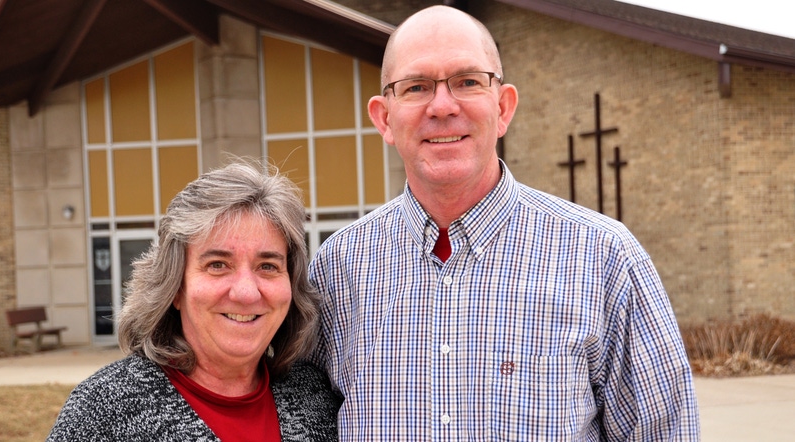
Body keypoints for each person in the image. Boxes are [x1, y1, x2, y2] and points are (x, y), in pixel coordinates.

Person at [308, 5, 699, 440]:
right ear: (384, 118)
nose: (442, 106)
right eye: (416, 86)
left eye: (467, 81)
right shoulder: (336, 269)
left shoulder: (605, 258)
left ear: (504, 107)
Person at [47, 160, 339, 441]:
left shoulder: (314, 396)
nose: (247, 293)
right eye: (217, 264)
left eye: (268, 266)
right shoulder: (103, 411)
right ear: (175, 287)